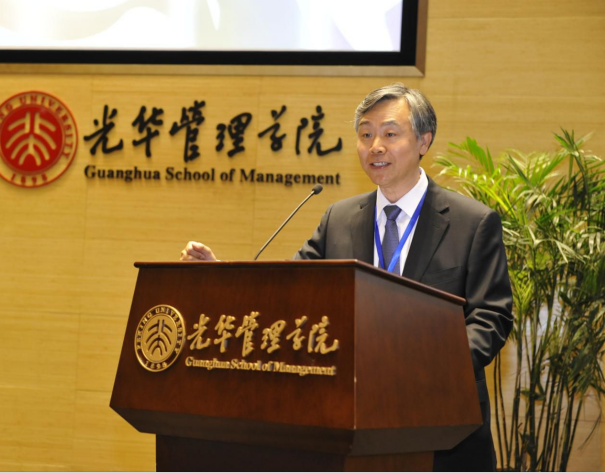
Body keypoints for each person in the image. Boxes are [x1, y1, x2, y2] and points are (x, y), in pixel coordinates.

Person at [180, 83, 513, 472]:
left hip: (443, 429)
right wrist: (220, 276)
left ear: (424, 141)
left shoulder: (471, 223)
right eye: (365, 134)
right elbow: (285, 292)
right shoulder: (338, 219)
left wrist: (424, 368)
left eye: (390, 134)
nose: (375, 146)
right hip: (347, 428)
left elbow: (491, 317)